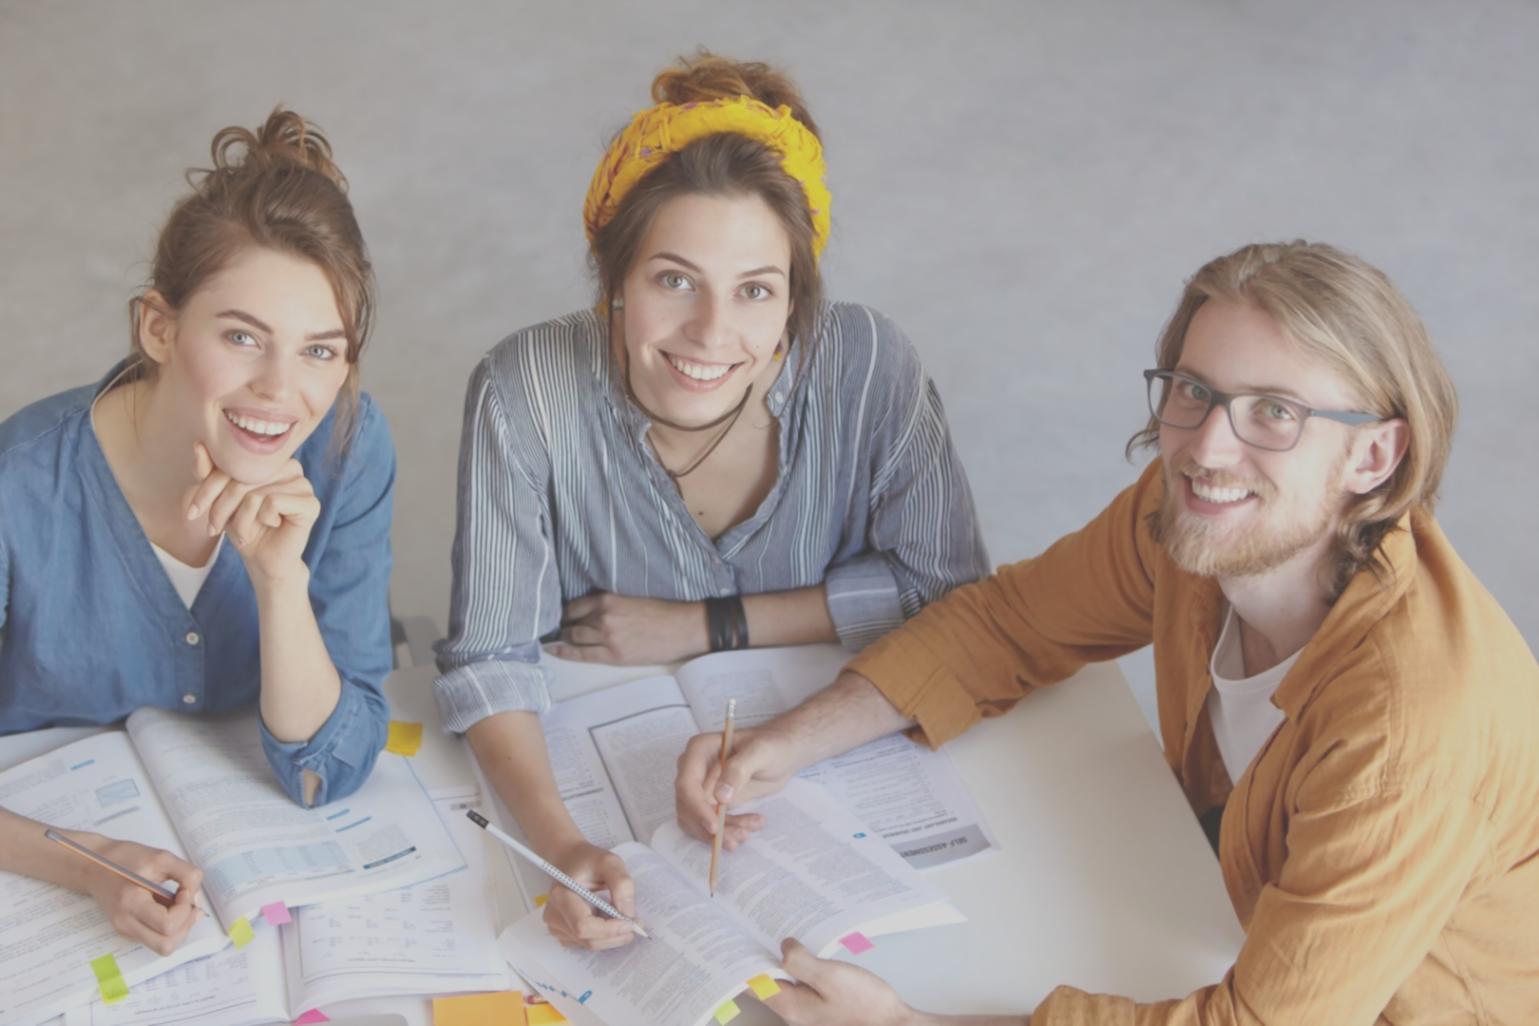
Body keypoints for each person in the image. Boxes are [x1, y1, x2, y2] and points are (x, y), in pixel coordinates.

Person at [677, 241, 1539, 1024]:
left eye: (1274, 413)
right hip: (1235, 915)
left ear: (1372, 458)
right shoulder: (1192, 523)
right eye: (1195, 391)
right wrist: (784, 744)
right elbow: (1008, 626)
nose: (1207, 449)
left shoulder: (1407, 737)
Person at [433, 52, 989, 952]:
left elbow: (950, 593)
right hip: (608, 757)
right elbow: (490, 659)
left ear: (794, 303)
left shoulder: (867, 365)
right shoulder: (524, 387)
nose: (710, 333)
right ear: (613, 280)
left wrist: (706, 625)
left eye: (755, 292)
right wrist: (563, 846)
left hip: (828, 765)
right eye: (673, 280)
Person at [0, 109, 395, 956]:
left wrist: (280, 584)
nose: (279, 391)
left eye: (320, 352)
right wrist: (87, 861)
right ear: (159, 327)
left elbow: (333, 767)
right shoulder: (17, 488)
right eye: (242, 337)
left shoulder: (351, 447)